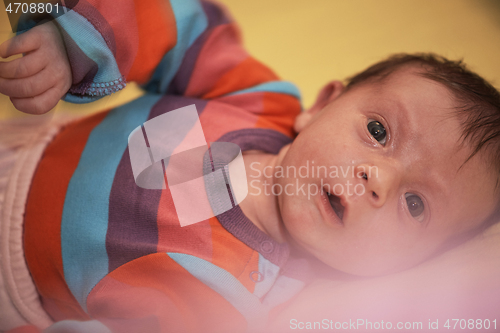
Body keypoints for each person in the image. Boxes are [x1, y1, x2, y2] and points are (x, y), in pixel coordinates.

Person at [0, 0, 499, 332]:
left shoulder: (239, 305)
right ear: (323, 105)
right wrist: (76, 46)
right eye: (378, 132)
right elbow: (183, 23)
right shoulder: (257, 99)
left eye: (416, 204)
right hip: (24, 140)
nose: (380, 180)